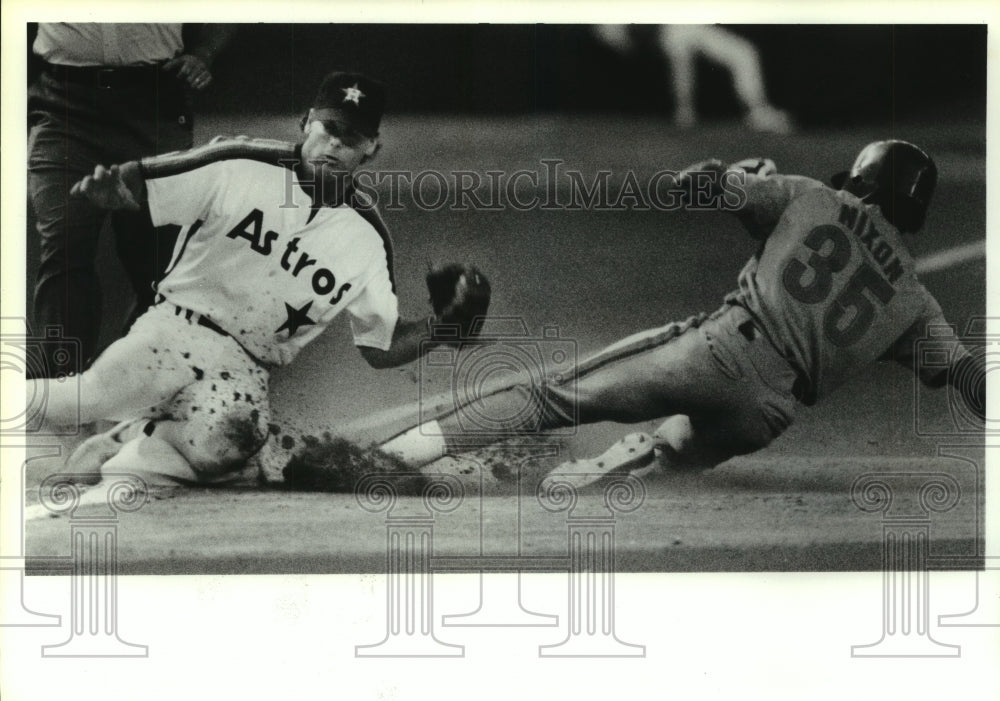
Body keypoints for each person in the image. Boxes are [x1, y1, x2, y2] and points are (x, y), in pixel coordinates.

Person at [378, 141, 984, 484]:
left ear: (862, 179)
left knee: (551, 396)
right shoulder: (917, 303)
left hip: (716, 353)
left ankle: (396, 457)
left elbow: (693, 184)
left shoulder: (815, 196)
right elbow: (969, 380)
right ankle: (584, 486)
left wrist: (738, 177)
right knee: (671, 456)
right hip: (768, 416)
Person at [37, 70, 491, 485]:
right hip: (174, 332)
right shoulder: (240, 162)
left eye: (350, 138)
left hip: (246, 370)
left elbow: (382, 345)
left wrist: (442, 330)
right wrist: (115, 189)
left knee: (227, 449)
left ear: (371, 149)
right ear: (305, 122)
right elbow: (141, 179)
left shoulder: (368, 239)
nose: (333, 145)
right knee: (82, 397)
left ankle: (122, 446)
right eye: (328, 129)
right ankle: (124, 438)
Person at [28, 23, 235, 376]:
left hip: (153, 102)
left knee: (159, 265)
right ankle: (59, 388)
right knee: (64, 243)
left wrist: (203, 55)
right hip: (63, 102)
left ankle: (129, 384)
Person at [592, 24, 794, 133]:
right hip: (659, 31)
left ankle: (757, 111)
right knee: (679, 46)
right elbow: (608, 32)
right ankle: (684, 112)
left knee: (744, 52)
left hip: (685, 25)